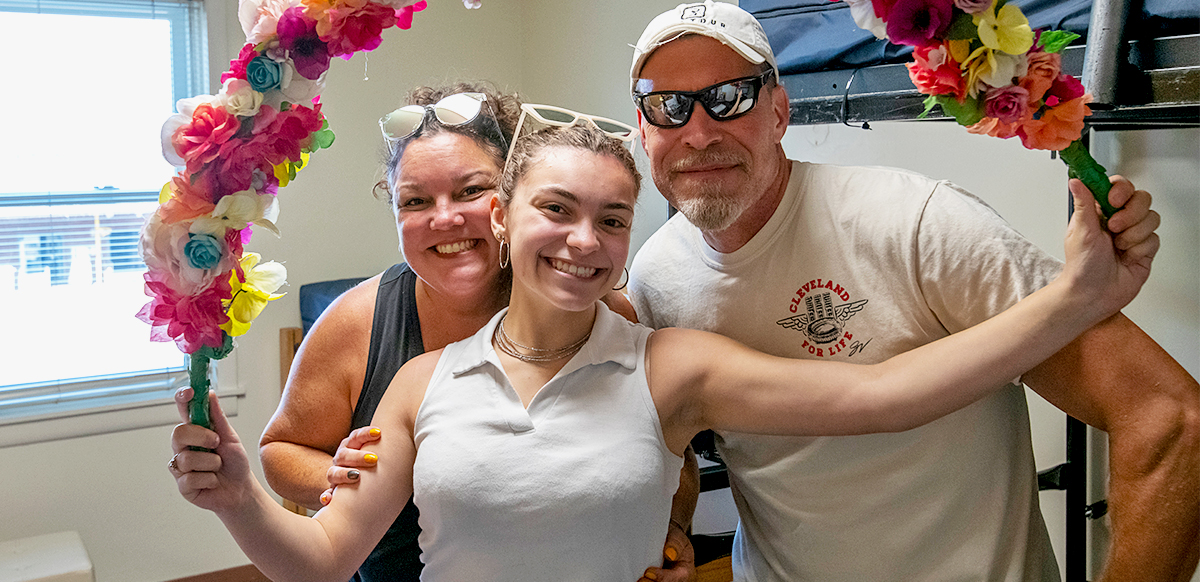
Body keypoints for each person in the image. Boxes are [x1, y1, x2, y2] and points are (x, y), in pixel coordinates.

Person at [169, 114, 1157, 582]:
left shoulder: (666, 363)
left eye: (612, 218)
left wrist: (1075, 297)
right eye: (556, 210)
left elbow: (890, 392)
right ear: (507, 216)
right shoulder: (423, 384)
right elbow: (323, 557)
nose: (585, 241)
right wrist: (237, 493)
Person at [625, 0, 1198, 581]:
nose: (697, 133)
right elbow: (673, 431)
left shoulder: (916, 225)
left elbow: (1168, 419)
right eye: (666, 107)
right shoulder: (654, 281)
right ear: (643, 131)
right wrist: (672, 522)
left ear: (778, 112)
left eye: (730, 98)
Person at [255, 81, 693, 582]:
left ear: (510, 200)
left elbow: (665, 444)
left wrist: (672, 532)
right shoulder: (357, 323)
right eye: (416, 202)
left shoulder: (596, 308)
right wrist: (351, 477)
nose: (446, 218)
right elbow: (279, 450)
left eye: (469, 191)